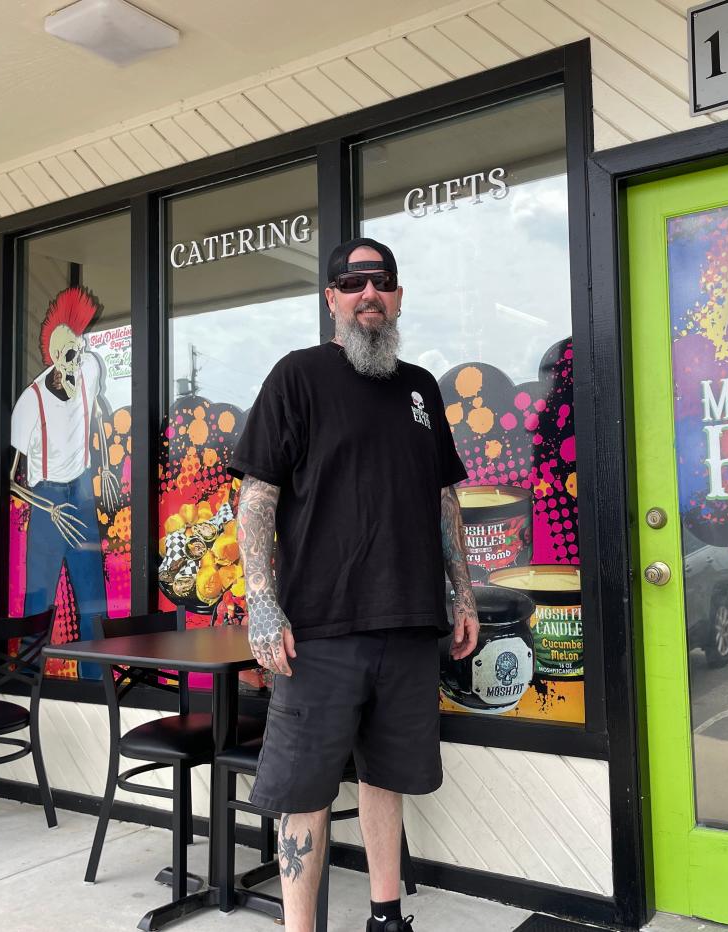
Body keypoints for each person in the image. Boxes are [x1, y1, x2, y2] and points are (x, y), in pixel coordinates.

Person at [229, 236, 479, 932]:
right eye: (354, 282)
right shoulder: (298, 377)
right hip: (319, 633)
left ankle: (385, 914)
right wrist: (263, 607)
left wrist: (461, 592)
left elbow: (442, 500)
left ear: (398, 298)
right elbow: (256, 498)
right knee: (304, 791)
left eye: (382, 282)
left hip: (407, 625)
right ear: (332, 299)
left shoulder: (421, 388)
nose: (370, 293)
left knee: (387, 776)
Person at [9, 286, 120, 679]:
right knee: (38, 599)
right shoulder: (30, 403)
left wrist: (105, 466)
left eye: (82, 347)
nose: (79, 358)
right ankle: (25, 681)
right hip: (47, 498)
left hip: (82, 489)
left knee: (93, 596)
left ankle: (96, 683)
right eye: (70, 353)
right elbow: (10, 481)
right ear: (57, 358)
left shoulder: (89, 367)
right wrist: (49, 508)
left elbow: (98, 412)